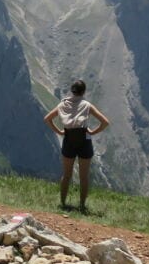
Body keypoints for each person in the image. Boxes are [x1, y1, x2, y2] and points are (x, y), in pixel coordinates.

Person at [44, 80, 110, 211]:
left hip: (68, 139)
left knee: (66, 175)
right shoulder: (86, 105)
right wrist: (92, 131)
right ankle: (82, 205)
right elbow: (105, 122)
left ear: (72, 90)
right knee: (84, 176)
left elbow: (47, 118)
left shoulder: (63, 104)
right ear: (83, 92)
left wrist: (59, 131)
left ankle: (62, 203)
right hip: (84, 140)